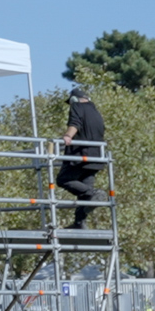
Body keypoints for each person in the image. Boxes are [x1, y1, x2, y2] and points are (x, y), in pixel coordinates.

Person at [56, 85, 108, 229]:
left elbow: (75, 123)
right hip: (96, 157)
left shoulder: (77, 107)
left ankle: (95, 193)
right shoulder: (96, 112)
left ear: (74, 99)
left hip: (80, 155)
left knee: (63, 179)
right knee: (85, 194)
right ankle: (79, 223)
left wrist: (67, 136)